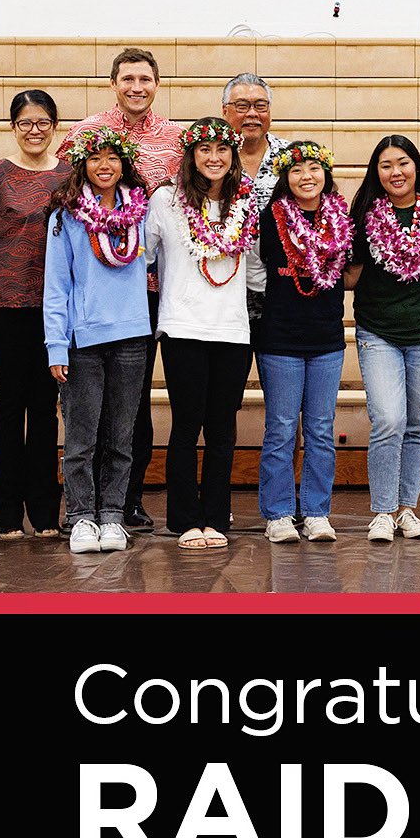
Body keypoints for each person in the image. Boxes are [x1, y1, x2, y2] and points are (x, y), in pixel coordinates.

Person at [0, 48, 183, 531]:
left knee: (109, 409)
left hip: (125, 293)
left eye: (144, 78)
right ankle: (35, 513)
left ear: (156, 82)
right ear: (112, 83)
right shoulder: (77, 140)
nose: (135, 85)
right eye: (126, 77)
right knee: (38, 408)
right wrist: (7, 273)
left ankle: (110, 506)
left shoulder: (172, 137)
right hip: (37, 302)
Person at [145, 118, 256, 549]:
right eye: (205, 150)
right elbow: (142, 257)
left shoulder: (245, 203)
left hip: (231, 329)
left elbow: (258, 268)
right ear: (191, 156)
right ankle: (184, 518)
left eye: (222, 150)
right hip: (182, 327)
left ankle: (216, 517)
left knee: (223, 430)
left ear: (233, 157)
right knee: (187, 426)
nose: (214, 158)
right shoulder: (165, 201)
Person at [43, 128, 152, 553]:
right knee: (82, 437)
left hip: (131, 338)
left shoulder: (140, 213)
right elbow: (56, 286)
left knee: (121, 436)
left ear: (124, 164)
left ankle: (112, 515)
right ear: (82, 165)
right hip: (82, 340)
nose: (104, 166)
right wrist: (56, 343)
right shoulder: (66, 216)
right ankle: (80, 517)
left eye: (112, 157)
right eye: (95, 158)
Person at [0, 89, 70, 539]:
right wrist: (8, 276)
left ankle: (46, 513)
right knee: (12, 406)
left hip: (55, 310)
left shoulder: (69, 176)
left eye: (43, 122)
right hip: (8, 307)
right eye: (26, 123)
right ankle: (8, 515)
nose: (35, 131)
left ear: (54, 126)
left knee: (46, 409)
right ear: (14, 127)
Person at [346, 135, 420, 541]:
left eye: (403, 163)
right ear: (376, 173)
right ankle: (384, 511)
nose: (396, 172)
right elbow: (350, 274)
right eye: (386, 165)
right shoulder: (363, 213)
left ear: (417, 167)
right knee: (389, 419)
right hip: (378, 331)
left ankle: (408, 509)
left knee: (418, 423)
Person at [256, 142, 352, 543]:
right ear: (285, 178)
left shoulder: (341, 218)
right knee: (280, 428)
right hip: (279, 339)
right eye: (296, 170)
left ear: (325, 173)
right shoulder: (270, 217)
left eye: (314, 168)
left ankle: (316, 511)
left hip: (327, 339)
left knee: (320, 429)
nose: (306, 177)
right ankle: (278, 513)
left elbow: (352, 269)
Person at [221, 73, 290, 346]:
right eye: (242, 106)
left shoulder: (291, 158)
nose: (252, 114)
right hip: (224, 298)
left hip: (281, 297)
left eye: (260, 106)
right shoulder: (210, 159)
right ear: (224, 110)